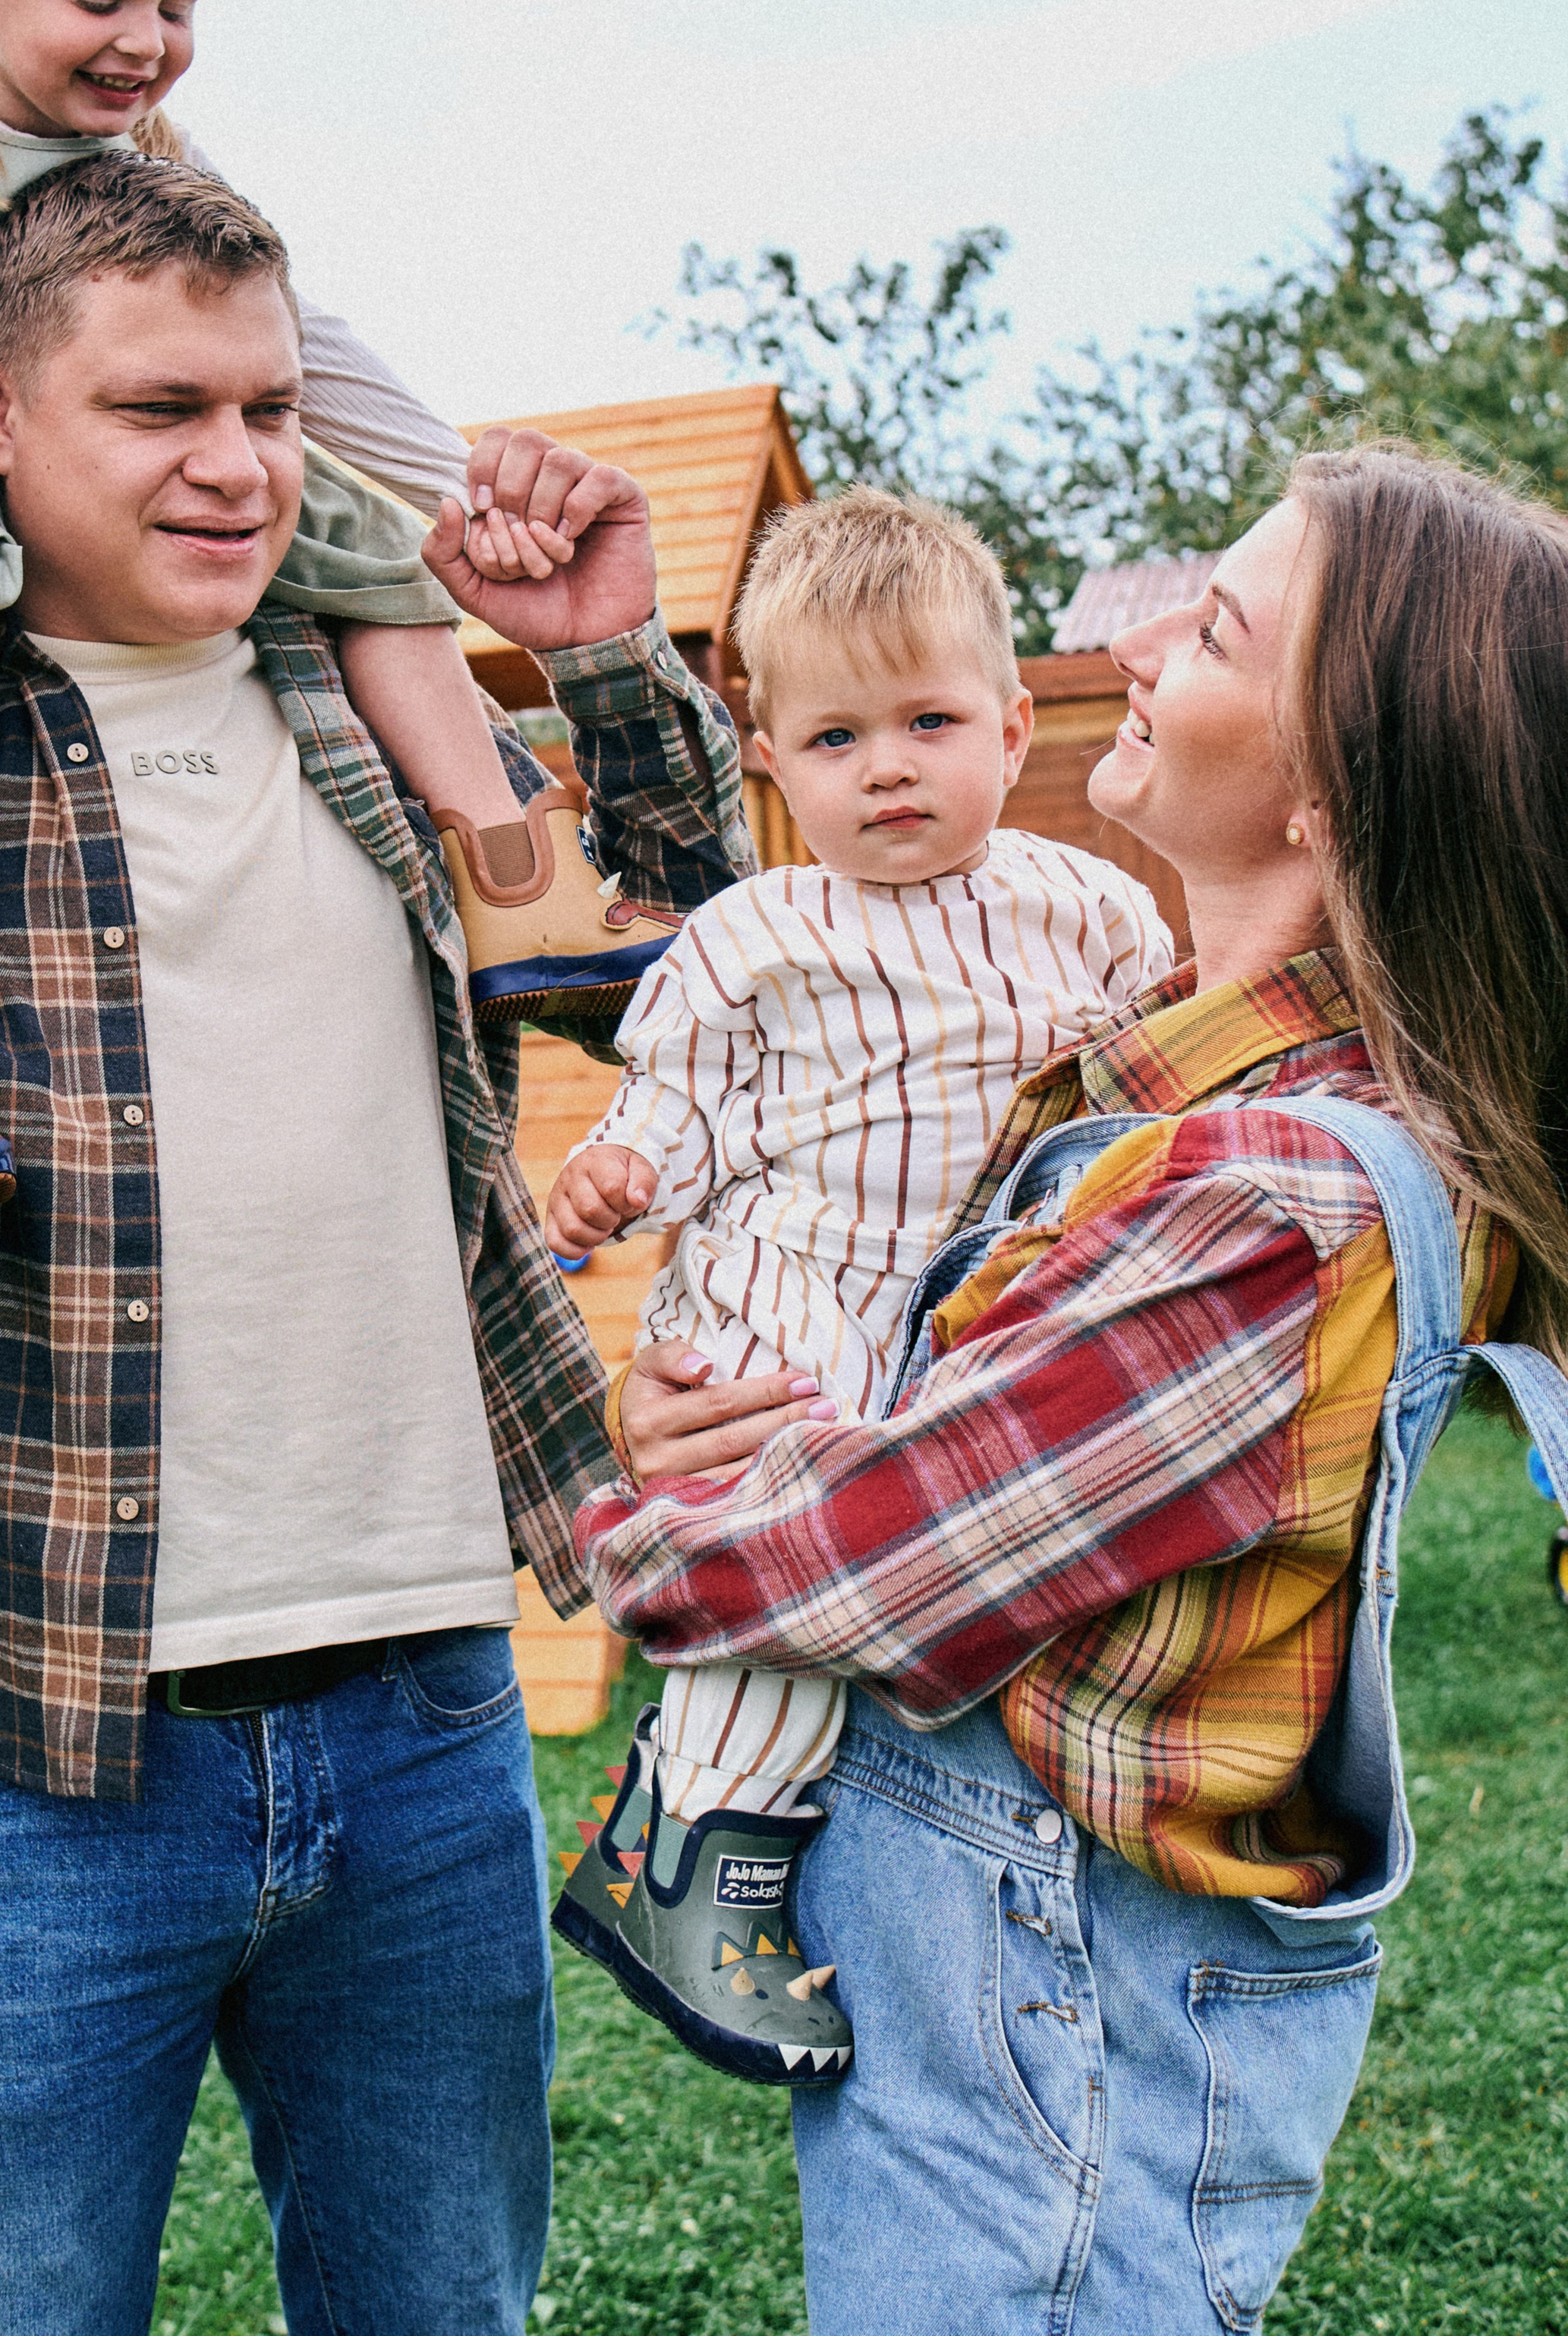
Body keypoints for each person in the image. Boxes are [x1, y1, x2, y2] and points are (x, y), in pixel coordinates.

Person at [0, 150, 755, 2336]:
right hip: (12, 1766)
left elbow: (707, 963)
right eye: (161, 411)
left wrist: (608, 644)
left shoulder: (369, 702)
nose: (237, 467)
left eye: (265, 407)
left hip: (427, 1722)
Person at [577, 445, 1568, 2331]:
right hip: (1021, 2009)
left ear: (1326, 795)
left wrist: (610, 1511)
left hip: (1059, 2027)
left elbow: (882, 1548)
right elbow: (820, 988)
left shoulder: (1267, 1199)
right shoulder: (1167, 1078)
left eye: (1204, 629)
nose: (1129, 650)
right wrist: (705, 1397)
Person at [0, 0, 673, 1242]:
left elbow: (302, 342)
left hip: (64, 460)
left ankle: (519, 880)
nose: (147, 42)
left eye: (177, 6)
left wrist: (459, 486)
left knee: (378, 552)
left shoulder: (147, 161)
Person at [546, 491, 1173, 2083]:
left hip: (957, 1304)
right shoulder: (753, 932)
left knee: (912, 1558)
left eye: (926, 720)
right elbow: (666, 1119)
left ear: (1013, 722)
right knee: (787, 1550)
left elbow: (1144, 1072)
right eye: (833, 739)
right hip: (790, 1283)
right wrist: (616, 1178)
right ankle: (701, 1858)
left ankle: (680, 1823)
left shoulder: (1079, 902)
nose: (885, 766)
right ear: (767, 757)